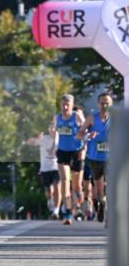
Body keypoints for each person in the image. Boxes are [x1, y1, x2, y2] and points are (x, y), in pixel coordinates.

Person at [50, 94, 85, 226]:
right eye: (63, 104)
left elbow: (86, 131)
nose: (65, 107)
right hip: (63, 152)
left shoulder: (77, 116)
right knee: (65, 182)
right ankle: (68, 213)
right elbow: (55, 133)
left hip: (77, 152)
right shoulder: (57, 117)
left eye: (67, 105)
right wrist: (54, 146)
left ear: (72, 105)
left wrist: (84, 149)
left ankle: (79, 199)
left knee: (76, 186)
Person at [77, 91, 112, 224]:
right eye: (102, 103)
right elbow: (79, 134)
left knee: (110, 186)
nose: (104, 105)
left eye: (107, 103)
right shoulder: (92, 118)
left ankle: (109, 213)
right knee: (98, 190)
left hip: (111, 158)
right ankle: (102, 205)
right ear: (98, 104)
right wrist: (87, 136)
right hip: (95, 158)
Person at [24, 130, 60, 218]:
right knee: (48, 190)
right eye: (51, 127)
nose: (53, 130)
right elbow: (28, 142)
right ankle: (50, 200)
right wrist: (37, 138)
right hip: (45, 169)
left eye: (54, 128)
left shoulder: (61, 138)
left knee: (57, 187)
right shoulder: (44, 138)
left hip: (57, 167)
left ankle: (56, 210)